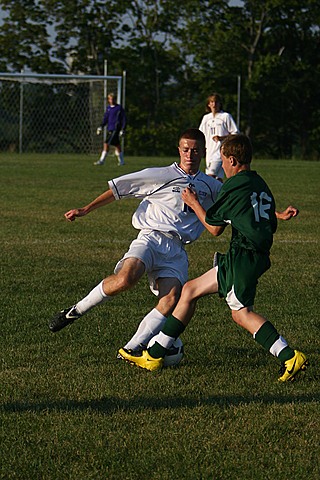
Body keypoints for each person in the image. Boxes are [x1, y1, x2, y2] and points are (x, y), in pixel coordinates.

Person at [119, 134, 308, 383]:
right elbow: (257, 213)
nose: (221, 166)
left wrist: (194, 202)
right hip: (245, 255)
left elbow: (214, 228)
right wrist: (280, 215)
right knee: (189, 291)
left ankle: (289, 356)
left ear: (231, 159)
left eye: (222, 160)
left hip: (244, 256)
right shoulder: (258, 182)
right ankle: (154, 355)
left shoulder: (234, 185)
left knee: (241, 314)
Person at [49, 129, 222, 353]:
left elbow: (242, 203)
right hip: (150, 238)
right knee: (125, 279)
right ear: (179, 150)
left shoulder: (212, 186)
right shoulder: (160, 175)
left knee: (171, 301)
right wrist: (85, 209)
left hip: (177, 251)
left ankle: (130, 350)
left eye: (196, 150)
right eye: (186, 149)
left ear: (204, 152)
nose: (190, 154)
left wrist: (275, 214)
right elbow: (118, 189)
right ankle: (76, 310)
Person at [199, 92, 239, 182]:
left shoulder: (225, 116)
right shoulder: (206, 118)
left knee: (210, 177)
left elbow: (235, 133)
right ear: (209, 104)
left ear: (220, 104)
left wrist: (222, 138)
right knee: (218, 179)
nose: (214, 104)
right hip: (209, 152)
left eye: (216, 102)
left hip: (220, 152)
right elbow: (201, 134)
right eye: (212, 102)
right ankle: (220, 195)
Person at [94, 92, 126, 166]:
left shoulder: (119, 108)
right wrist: (101, 126)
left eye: (113, 99)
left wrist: (123, 129)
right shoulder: (108, 108)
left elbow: (124, 119)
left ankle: (102, 160)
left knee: (106, 143)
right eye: (110, 99)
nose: (112, 100)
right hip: (110, 128)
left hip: (116, 129)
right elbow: (106, 118)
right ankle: (121, 161)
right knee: (117, 145)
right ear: (108, 100)